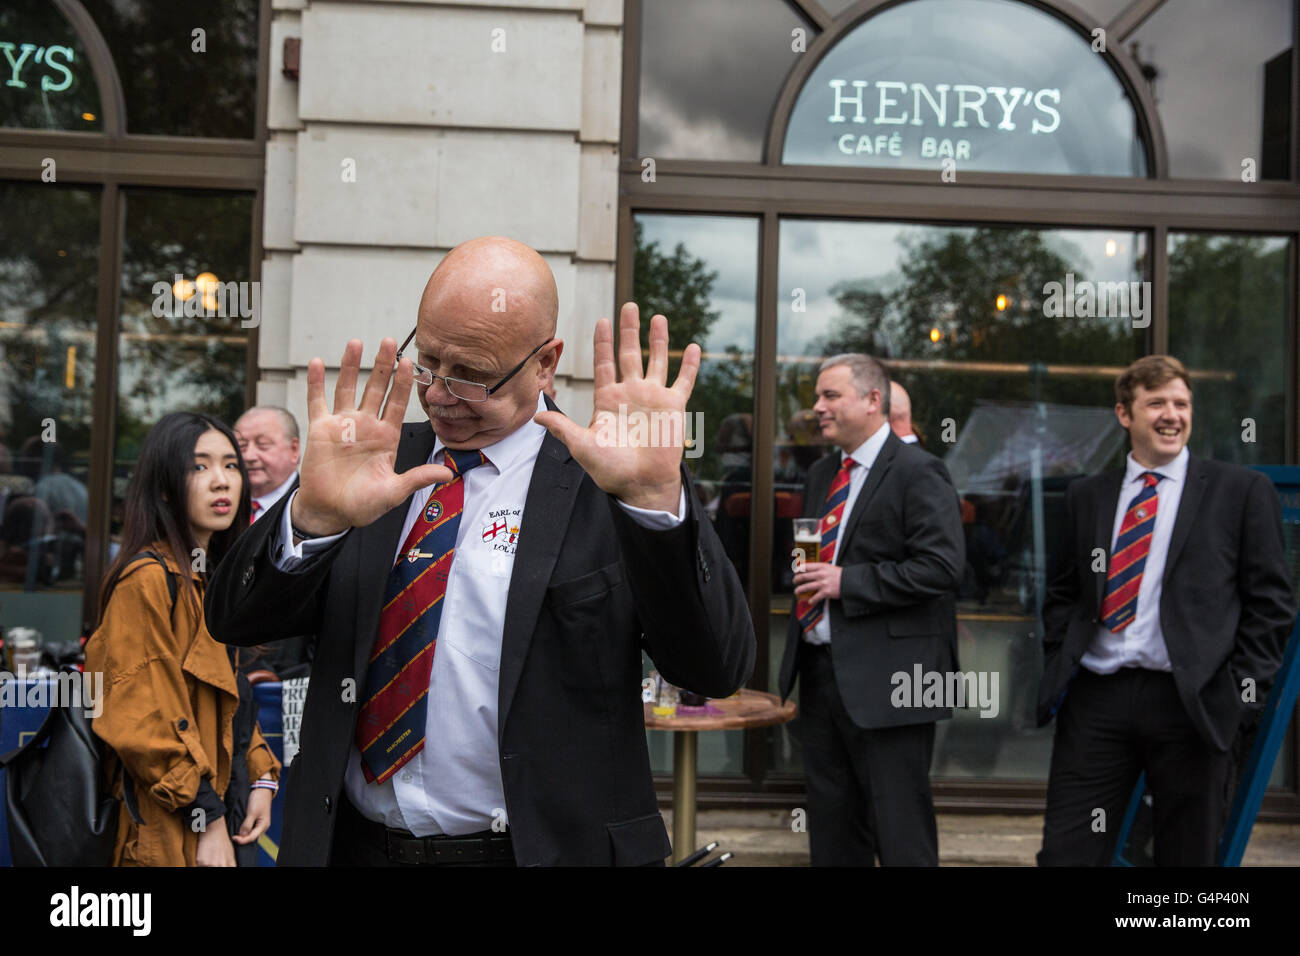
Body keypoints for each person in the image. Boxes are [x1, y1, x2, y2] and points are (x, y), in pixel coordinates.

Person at [205, 236, 754, 867]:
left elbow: (716, 669)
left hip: (535, 853)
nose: (439, 394)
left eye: (470, 375)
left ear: (545, 363)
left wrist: (655, 501)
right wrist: (313, 518)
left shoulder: (606, 482)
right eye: (430, 361)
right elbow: (234, 619)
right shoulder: (372, 460)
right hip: (350, 845)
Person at [1036, 355, 1295, 866]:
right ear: (1124, 414)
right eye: (1156, 403)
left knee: (1186, 861)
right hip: (1098, 700)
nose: (1171, 415)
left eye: (1181, 403)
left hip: (1191, 703)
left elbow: (1273, 603)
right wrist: (1061, 656)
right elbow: (1063, 592)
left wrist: (1237, 691)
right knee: (1068, 852)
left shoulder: (1239, 492)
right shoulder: (1088, 496)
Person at [778, 353, 964, 866]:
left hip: (892, 684)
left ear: (873, 400)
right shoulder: (821, 474)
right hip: (819, 675)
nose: (817, 407)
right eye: (818, 397)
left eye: (830, 395)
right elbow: (813, 556)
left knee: (900, 833)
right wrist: (805, 570)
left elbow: (943, 568)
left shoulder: (919, 471)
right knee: (834, 836)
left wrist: (847, 581)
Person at [85, 411, 281, 866]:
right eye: (200, 466)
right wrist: (206, 819)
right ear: (166, 486)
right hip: (170, 828)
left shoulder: (213, 578)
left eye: (231, 465)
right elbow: (141, 720)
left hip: (224, 814)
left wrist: (261, 778)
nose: (221, 481)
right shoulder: (147, 581)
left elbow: (229, 700)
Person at [235, 405, 300, 523]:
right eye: (242, 445)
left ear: (294, 449)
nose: (249, 456)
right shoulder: (226, 504)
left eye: (263, 444)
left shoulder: (309, 507)